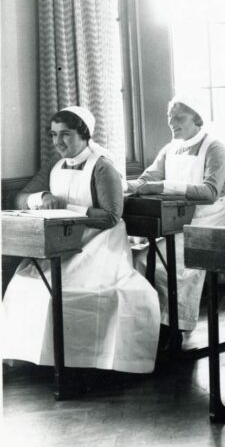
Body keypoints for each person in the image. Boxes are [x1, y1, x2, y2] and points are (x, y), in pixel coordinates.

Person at [3, 107, 160, 373]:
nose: (58, 142)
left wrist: (66, 207)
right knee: (24, 286)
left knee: (68, 294)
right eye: (53, 135)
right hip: (61, 245)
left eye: (65, 134)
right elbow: (19, 198)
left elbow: (111, 216)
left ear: (84, 134)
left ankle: (80, 361)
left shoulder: (102, 166)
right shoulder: (55, 166)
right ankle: (37, 358)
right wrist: (40, 198)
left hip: (98, 245)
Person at [126, 94, 225, 334]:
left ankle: (174, 326)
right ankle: (154, 324)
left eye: (179, 118)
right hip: (175, 225)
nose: (172, 123)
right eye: (169, 117)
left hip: (206, 226)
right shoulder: (170, 149)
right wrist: (124, 186)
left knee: (164, 267)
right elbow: (148, 178)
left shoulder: (214, 148)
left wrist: (164, 187)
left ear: (197, 119)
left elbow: (210, 192)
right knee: (139, 260)